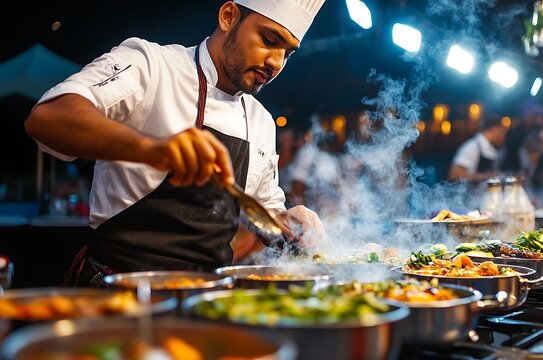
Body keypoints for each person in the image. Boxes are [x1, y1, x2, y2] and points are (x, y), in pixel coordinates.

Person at [23, 0, 326, 286]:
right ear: (228, 16)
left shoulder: (261, 121)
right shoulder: (153, 65)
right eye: (269, 40)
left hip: (207, 297)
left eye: (287, 53)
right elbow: (48, 117)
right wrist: (153, 149)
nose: (275, 62)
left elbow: (265, 214)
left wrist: (288, 225)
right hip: (121, 287)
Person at [448, 115, 509, 182]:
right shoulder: (472, 147)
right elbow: (454, 175)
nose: (504, 137)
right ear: (495, 129)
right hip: (470, 192)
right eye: (503, 132)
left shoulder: (492, 148)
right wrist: (488, 176)